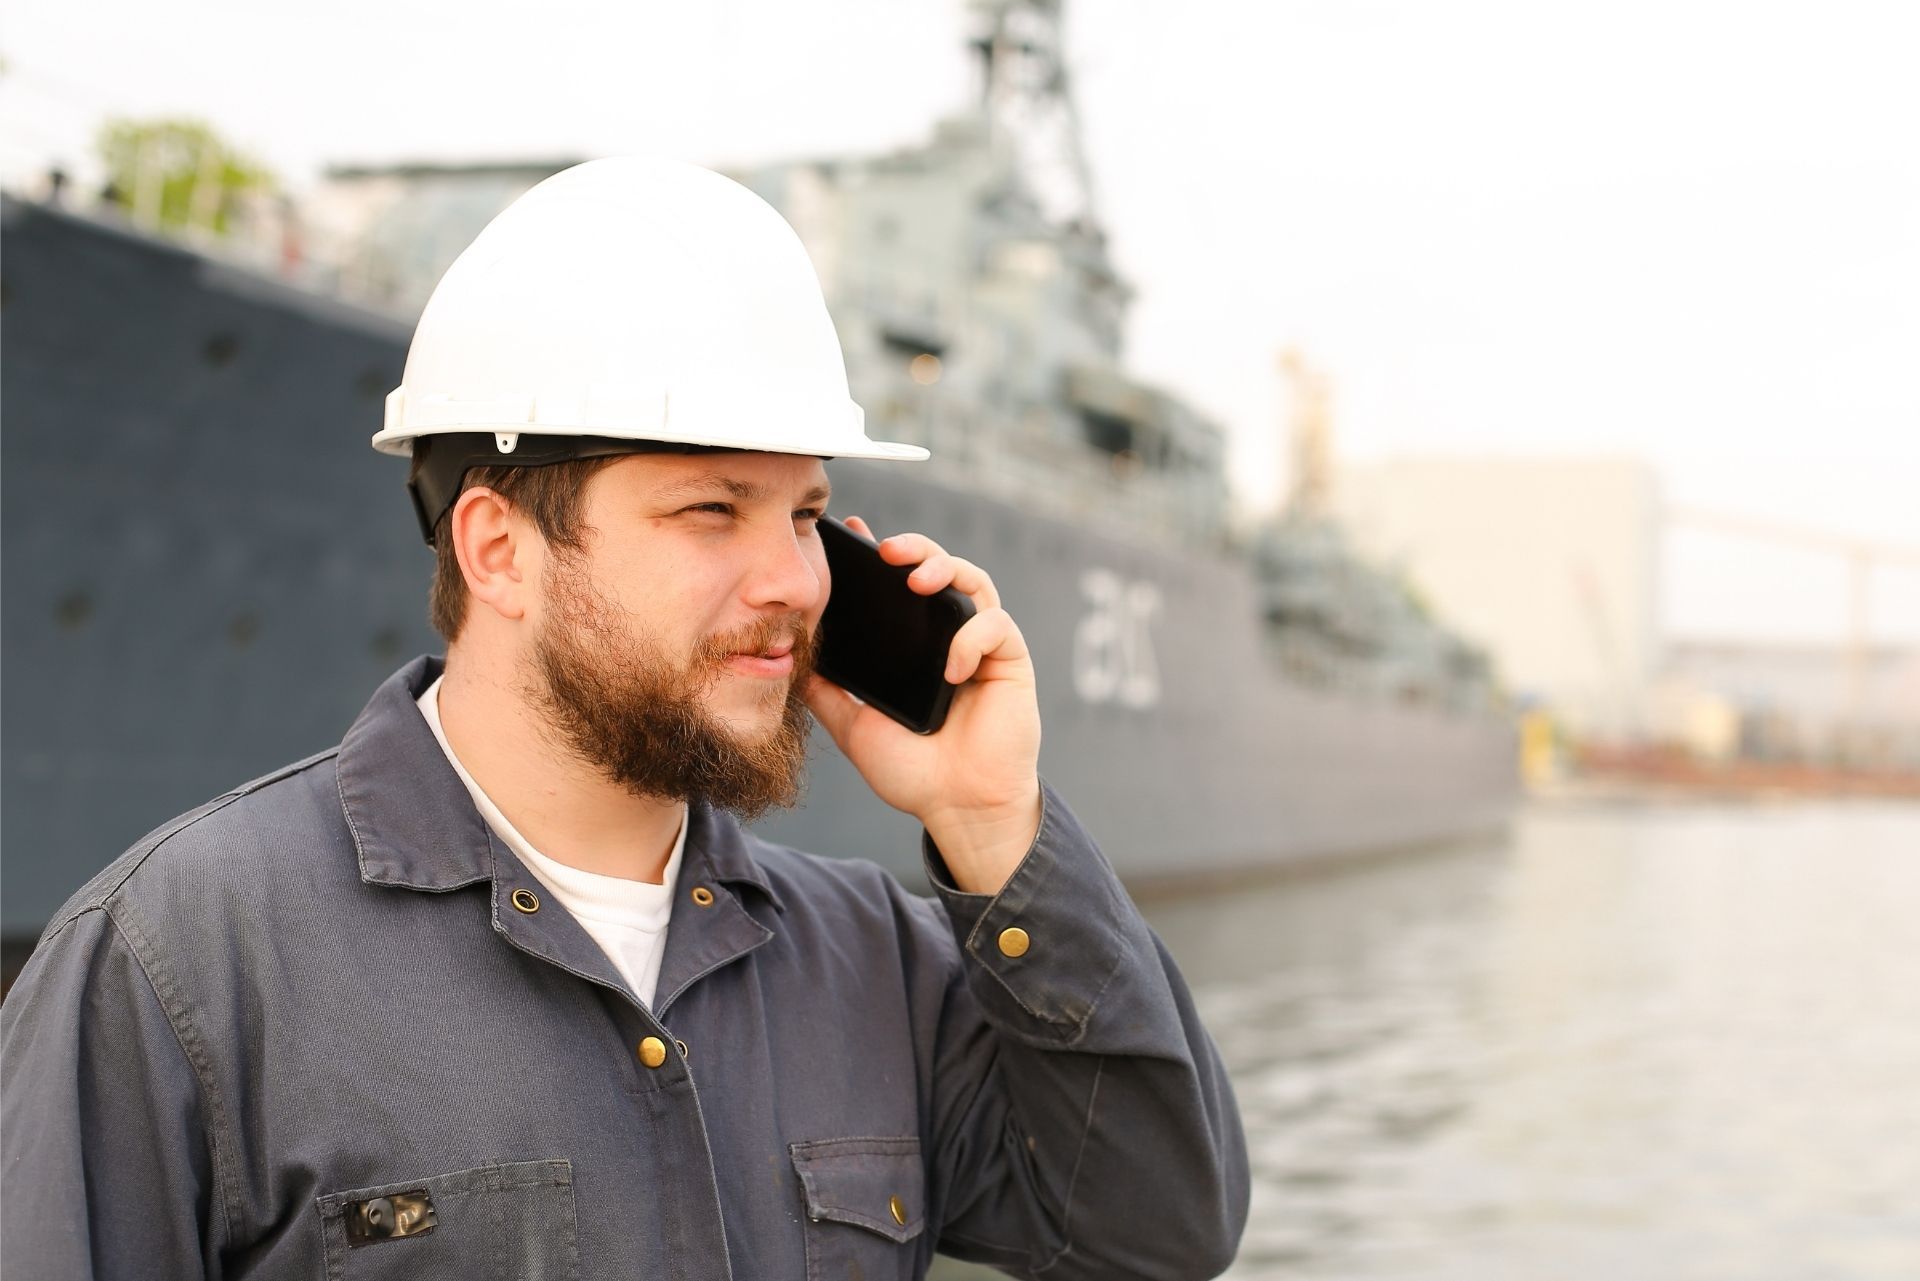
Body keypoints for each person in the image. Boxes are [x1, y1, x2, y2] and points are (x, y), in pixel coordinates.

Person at [1, 157, 1248, 1280]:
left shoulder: (877, 964)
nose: (797, 580)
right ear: (499, 550)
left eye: (807, 516)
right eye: (712, 510)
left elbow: (1155, 1230)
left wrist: (992, 823)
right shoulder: (178, 968)